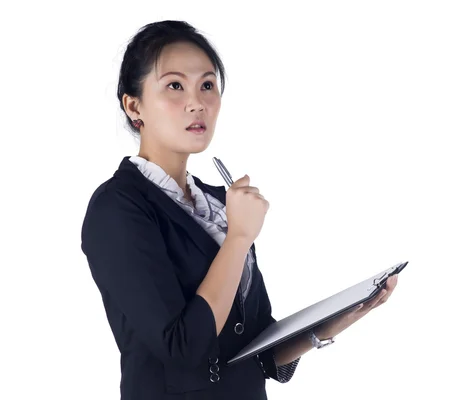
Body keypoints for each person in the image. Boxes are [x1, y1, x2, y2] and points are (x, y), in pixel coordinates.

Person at [80, 20, 399, 400]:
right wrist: (238, 238)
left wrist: (344, 316)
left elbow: (260, 355)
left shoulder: (220, 202)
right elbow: (183, 351)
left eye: (207, 85)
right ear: (134, 106)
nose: (197, 102)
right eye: (175, 85)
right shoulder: (117, 208)